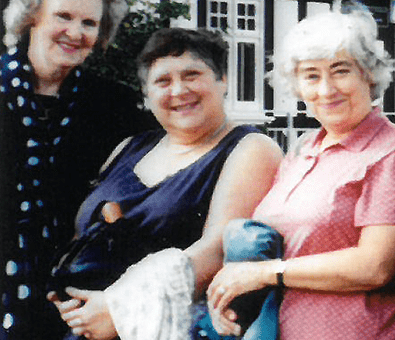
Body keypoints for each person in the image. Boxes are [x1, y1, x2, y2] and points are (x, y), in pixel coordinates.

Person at [206, 0, 395, 340]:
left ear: (368, 75)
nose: (327, 89)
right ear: (297, 86)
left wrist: (266, 272)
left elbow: (375, 266)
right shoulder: (301, 152)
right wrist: (231, 296)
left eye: (341, 71)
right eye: (311, 76)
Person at [49, 28, 283, 340]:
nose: (178, 90)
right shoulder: (129, 147)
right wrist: (67, 299)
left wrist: (119, 309)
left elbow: (216, 251)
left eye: (192, 74)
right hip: (82, 326)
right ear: (147, 94)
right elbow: (82, 233)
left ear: (222, 79)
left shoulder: (250, 147)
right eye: (162, 81)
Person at [0, 0, 156, 340]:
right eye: (64, 16)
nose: (76, 32)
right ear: (33, 16)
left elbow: (169, 158)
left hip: (77, 302)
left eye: (89, 22)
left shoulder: (114, 106)